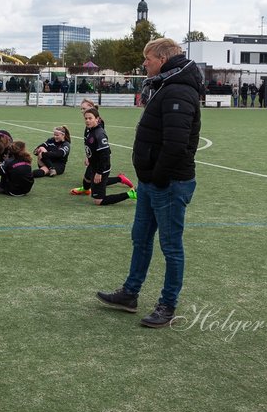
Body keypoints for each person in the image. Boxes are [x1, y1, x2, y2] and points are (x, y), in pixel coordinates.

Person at [96, 38, 202, 328]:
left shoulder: (177, 90)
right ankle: (130, 293)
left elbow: (176, 144)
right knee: (140, 239)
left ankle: (167, 305)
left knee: (171, 246)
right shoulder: (165, 86)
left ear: (164, 58)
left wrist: (156, 176)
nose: (144, 63)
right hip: (151, 181)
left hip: (168, 183)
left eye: (148, 58)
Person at [72, 106, 134, 205]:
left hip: (101, 168)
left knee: (99, 201)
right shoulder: (90, 130)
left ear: (97, 119)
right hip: (94, 165)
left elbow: (105, 154)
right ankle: (119, 178)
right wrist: (88, 157)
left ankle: (130, 194)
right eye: (86, 118)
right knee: (90, 182)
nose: (87, 120)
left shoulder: (99, 134)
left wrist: (99, 172)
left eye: (90, 118)